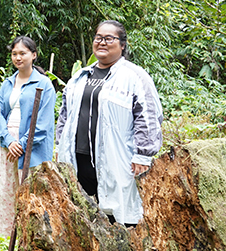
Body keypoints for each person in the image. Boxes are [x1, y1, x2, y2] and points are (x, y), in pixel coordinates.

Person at [55, 20, 162, 226]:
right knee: (82, 218)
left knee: (120, 219)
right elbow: (65, 116)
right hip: (79, 160)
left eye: (109, 38)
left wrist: (143, 154)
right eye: (98, 38)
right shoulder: (80, 76)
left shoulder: (134, 76)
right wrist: (61, 145)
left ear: (122, 45)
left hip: (117, 160)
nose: (102, 42)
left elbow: (148, 116)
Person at [0, 36, 56, 236]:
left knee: (33, 194)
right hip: (7, 145)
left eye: (22, 53)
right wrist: (8, 140)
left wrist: (21, 144)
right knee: (9, 191)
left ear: (33, 55)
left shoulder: (44, 84)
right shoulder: (7, 83)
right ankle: (12, 238)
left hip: (33, 148)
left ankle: (35, 238)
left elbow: (43, 124)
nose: (18, 57)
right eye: (14, 54)